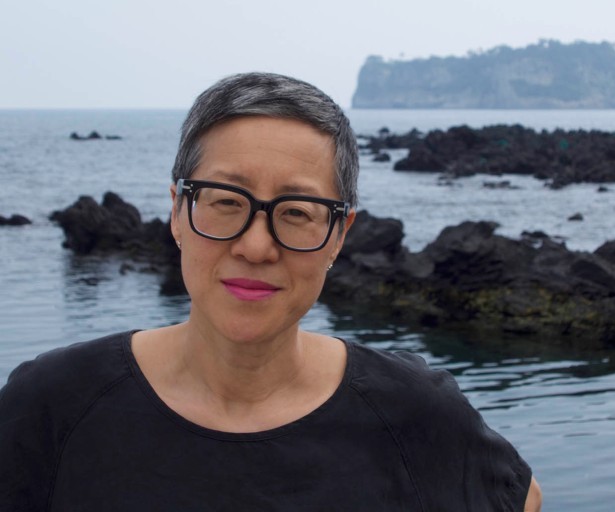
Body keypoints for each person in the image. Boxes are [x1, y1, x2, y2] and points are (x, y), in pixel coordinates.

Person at [0, 72, 541, 511]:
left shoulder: (417, 414)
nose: (256, 247)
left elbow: (521, 499)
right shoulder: (52, 404)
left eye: (297, 212)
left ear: (339, 235)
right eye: (226, 202)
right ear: (178, 212)